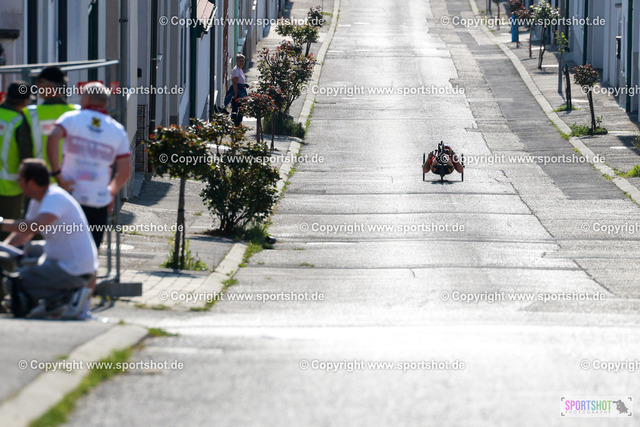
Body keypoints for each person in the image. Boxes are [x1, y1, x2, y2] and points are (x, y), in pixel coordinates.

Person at [0, 159, 97, 315]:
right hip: (62, 260)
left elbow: (35, 226)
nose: (19, 183)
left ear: (31, 183)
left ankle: (65, 299)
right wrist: (3, 249)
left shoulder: (54, 197)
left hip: (73, 268)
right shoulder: (38, 201)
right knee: (30, 250)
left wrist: (2, 224)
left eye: (21, 180)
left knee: (13, 282)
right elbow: (24, 233)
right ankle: (53, 300)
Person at [46, 82, 132, 248]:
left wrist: (57, 174)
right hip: (98, 199)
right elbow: (125, 171)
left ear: (86, 99)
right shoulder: (117, 129)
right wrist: (111, 191)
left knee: (65, 248)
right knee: (91, 251)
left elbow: (53, 137)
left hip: (70, 194)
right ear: (105, 102)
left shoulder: (71, 118)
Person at [23, 67, 79, 174]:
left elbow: (24, 151)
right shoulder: (77, 112)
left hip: (40, 179)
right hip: (71, 179)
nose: (37, 86)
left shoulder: (31, 114)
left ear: (49, 85)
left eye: (39, 82)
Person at [0, 82, 33, 238]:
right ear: (25, 101)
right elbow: (25, 154)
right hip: (10, 188)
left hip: (9, 187)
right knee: (6, 235)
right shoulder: (19, 121)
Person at [224, 54, 249, 126]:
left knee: (241, 107)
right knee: (237, 107)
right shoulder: (236, 70)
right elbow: (235, 83)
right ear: (237, 61)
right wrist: (235, 93)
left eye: (243, 61)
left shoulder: (240, 69)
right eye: (240, 61)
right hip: (238, 90)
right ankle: (235, 123)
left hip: (241, 90)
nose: (242, 62)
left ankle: (237, 123)